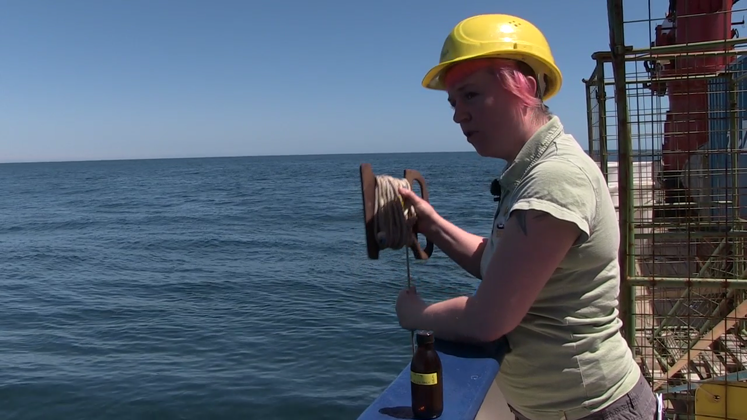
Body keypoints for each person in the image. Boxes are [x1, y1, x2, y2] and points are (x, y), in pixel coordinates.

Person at [394, 13, 658, 420]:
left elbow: (488, 319)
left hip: (593, 409)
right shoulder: (533, 170)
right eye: (453, 102)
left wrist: (417, 316)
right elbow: (497, 263)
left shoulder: (555, 178)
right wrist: (430, 223)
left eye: (470, 96)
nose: (457, 115)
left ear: (525, 88)